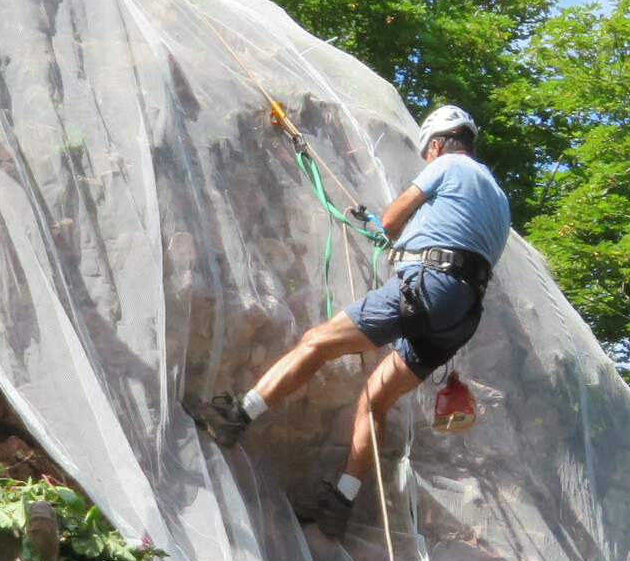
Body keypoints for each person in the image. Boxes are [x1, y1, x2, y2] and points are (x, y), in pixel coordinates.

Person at [186, 105, 510, 537]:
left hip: (428, 285)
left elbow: (391, 221)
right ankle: (340, 501)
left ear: (436, 145)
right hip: (461, 314)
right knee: (375, 399)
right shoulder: (498, 198)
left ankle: (237, 416)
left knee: (316, 341)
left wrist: (391, 232)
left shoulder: (449, 164)